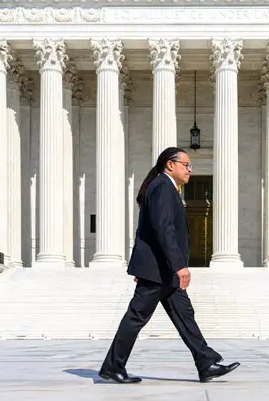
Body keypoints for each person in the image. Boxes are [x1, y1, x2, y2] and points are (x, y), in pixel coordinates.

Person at [99, 147, 240, 384]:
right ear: (170, 165)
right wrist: (179, 266)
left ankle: (206, 364)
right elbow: (163, 230)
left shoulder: (163, 187)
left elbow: (147, 230)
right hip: (159, 271)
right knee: (136, 317)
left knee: (185, 315)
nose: (190, 169)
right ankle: (113, 367)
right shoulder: (163, 187)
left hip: (160, 270)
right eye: (186, 164)